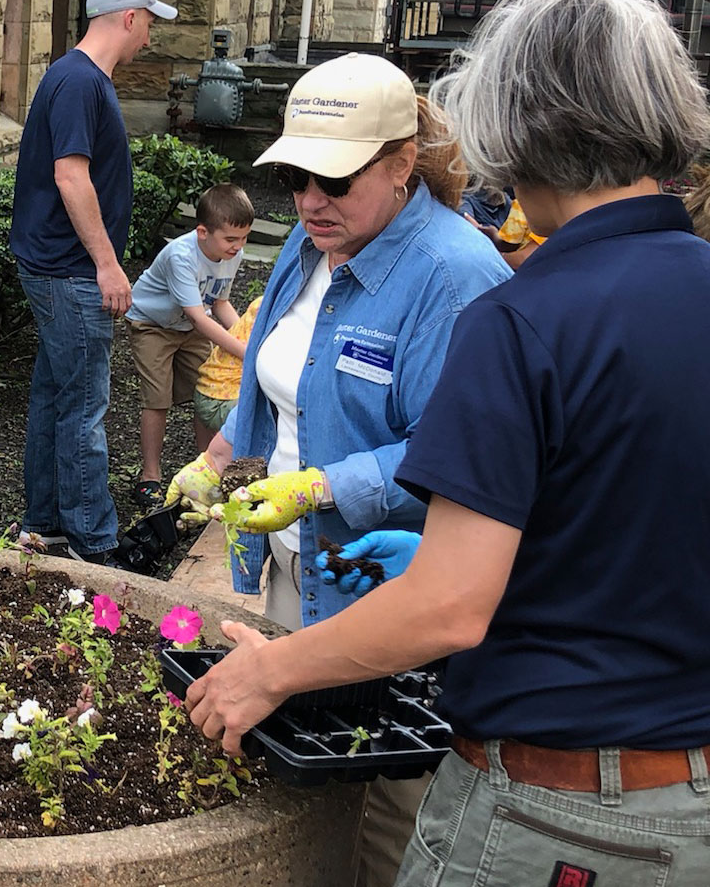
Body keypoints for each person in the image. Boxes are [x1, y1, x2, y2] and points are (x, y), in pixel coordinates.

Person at [183, 0, 710, 884]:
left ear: (516, 123)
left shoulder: (519, 314)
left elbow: (450, 607)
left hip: (552, 813)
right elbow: (630, 510)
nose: (309, 199)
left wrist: (270, 673)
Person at [165, 51, 511, 886]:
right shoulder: (314, 245)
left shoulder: (455, 279)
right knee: (309, 770)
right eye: (295, 178)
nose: (311, 201)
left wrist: (322, 487)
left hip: (389, 586)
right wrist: (220, 460)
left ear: (400, 165)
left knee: (385, 801)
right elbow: (270, 376)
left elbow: (465, 455)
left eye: (335, 179)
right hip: (299, 565)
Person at [10, 0, 177, 564]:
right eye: (149, 23)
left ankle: (45, 525)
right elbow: (71, 177)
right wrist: (108, 264)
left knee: (55, 398)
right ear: (128, 17)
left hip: (56, 268)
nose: (150, 36)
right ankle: (94, 543)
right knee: (83, 407)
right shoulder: (81, 81)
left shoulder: (72, 75)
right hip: (72, 272)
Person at [126, 183, 253, 508]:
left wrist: (245, 338)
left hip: (191, 324)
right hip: (153, 325)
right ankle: (150, 477)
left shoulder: (231, 253)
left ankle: (207, 468)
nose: (239, 247)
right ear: (202, 232)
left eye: (244, 239)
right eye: (231, 239)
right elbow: (199, 318)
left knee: (209, 386)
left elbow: (220, 302)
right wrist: (248, 354)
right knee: (157, 398)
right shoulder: (181, 256)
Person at [191, 295, 263, 457]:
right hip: (225, 400)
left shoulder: (261, 304)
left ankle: (206, 459)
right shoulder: (280, 316)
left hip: (204, 391)